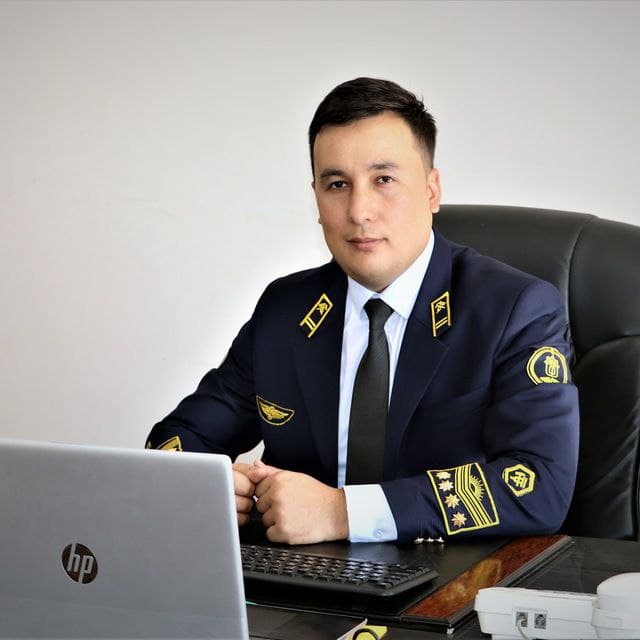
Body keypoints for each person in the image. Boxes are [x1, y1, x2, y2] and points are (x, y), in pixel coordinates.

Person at [146, 77, 579, 546]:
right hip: (299, 576)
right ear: (316, 198)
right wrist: (206, 487)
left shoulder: (515, 309)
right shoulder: (286, 309)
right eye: (337, 184)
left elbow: (540, 486)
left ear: (432, 190)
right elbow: (179, 437)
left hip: (449, 578)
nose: (359, 211)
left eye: (384, 180)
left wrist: (342, 512)